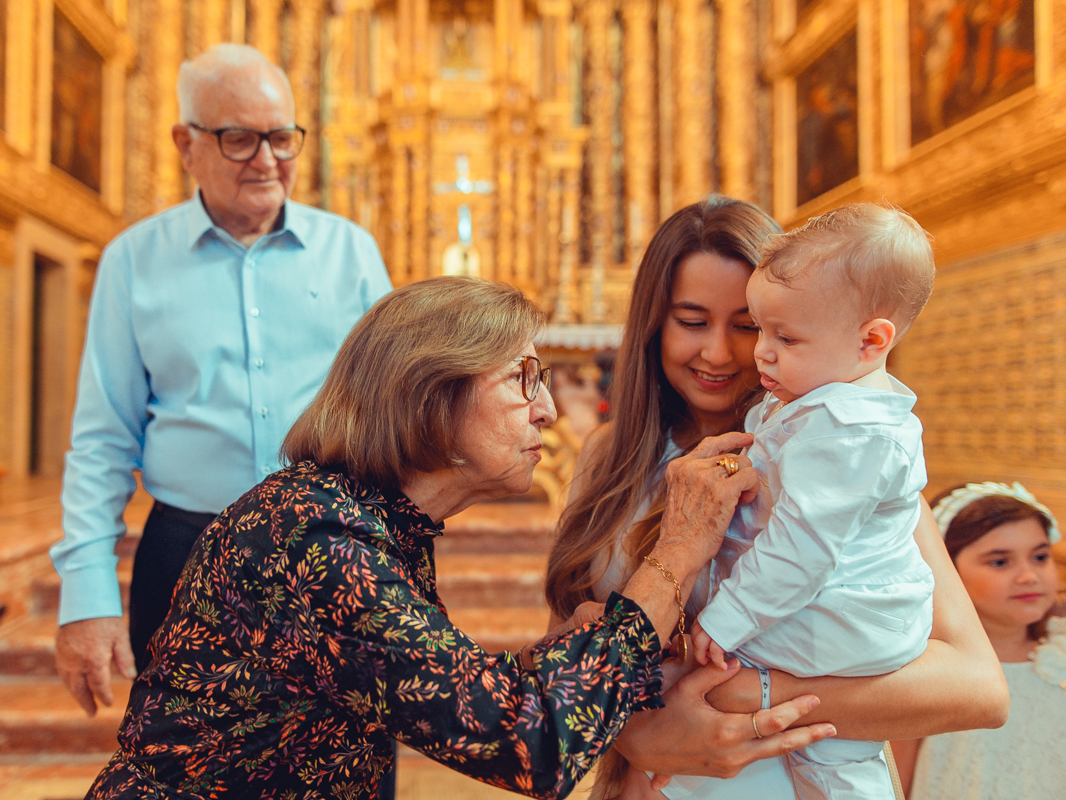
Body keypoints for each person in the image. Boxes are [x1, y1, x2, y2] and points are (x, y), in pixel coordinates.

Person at [85, 277, 835, 800]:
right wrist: (679, 549)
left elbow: (442, 686)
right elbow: (531, 744)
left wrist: (583, 647)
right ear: (431, 400)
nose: (546, 410)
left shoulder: (372, 519)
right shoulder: (316, 539)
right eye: (522, 379)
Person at [542, 195, 1009, 800]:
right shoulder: (608, 456)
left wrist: (748, 694)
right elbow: (562, 646)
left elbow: (978, 690)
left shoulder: (839, 456)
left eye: (749, 325)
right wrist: (636, 736)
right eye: (691, 321)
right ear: (653, 324)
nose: (724, 351)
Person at [51, 43, 392, 717]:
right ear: (187, 144)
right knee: (190, 769)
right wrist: (86, 597)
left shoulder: (351, 252)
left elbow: (395, 415)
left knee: (342, 770)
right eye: (239, 139)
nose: (267, 160)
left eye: (282, 138)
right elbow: (102, 441)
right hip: (187, 558)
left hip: (332, 554)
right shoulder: (133, 263)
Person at [672, 204, 937, 800]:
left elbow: (801, 548)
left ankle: (682, 772)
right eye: (760, 329)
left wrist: (725, 618)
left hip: (842, 621)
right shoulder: (826, 401)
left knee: (718, 684)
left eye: (784, 336)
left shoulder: (846, 430)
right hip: (834, 616)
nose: (760, 352)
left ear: (871, 341)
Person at [892, 482, 1066, 798]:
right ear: (947, 571)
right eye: (1000, 562)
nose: (1028, 576)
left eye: (1040, 557)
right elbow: (893, 784)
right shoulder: (928, 672)